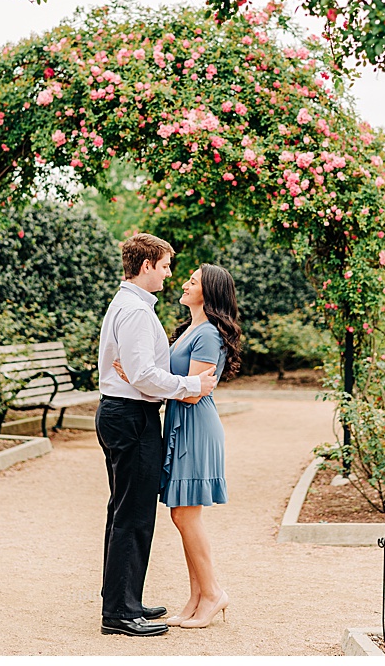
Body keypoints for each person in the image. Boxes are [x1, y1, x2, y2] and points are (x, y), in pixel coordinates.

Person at [96, 233, 218, 638]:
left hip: (129, 413)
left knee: (125, 512)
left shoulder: (132, 306)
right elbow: (144, 376)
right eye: (165, 265)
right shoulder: (135, 311)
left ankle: (124, 599)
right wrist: (190, 386)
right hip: (131, 416)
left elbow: (142, 372)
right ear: (146, 265)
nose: (170, 273)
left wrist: (146, 378)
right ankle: (118, 612)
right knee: (132, 515)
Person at [155, 264, 240, 628]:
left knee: (185, 515)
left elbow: (191, 394)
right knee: (181, 514)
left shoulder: (207, 334)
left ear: (209, 292)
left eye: (193, 281)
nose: (185, 284)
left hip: (195, 426)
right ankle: (196, 597)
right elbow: (183, 384)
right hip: (183, 424)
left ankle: (213, 593)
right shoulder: (191, 329)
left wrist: (148, 382)